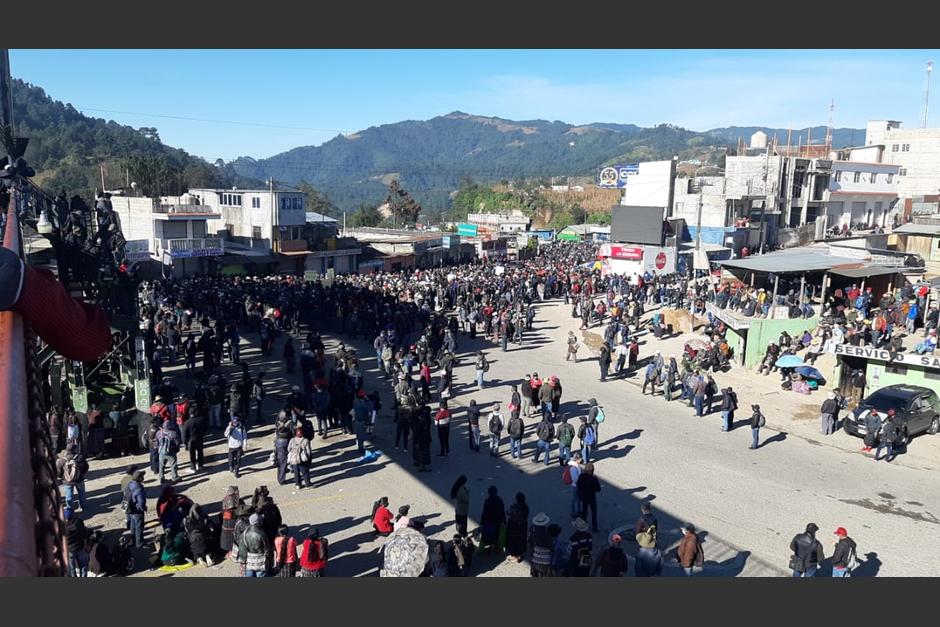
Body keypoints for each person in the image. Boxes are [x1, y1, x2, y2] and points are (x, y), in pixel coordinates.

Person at [56, 442, 89, 512]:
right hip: (79, 479)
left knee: (69, 495)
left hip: (67, 481)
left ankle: (70, 509)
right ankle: (83, 506)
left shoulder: (62, 460)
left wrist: (61, 477)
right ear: (75, 449)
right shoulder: (80, 457)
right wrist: (82, 473)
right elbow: (86, 467)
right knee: (81, 493)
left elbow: (59, 472)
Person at [238, 513, 271, 577]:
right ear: (259, 522)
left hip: (249, 562)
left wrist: (243, 560)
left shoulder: (244, 534)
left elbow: (242, 550)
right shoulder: (262, 534)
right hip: (260, 562)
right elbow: (267, 550)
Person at [124, 469, 147, 548]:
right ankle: (139, 543)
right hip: (137, 510)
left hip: (130, 508)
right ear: (139, 478)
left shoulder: (130, 484)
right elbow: (141, 501)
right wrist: (143, 508)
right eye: (142, 476)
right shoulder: (139, 488)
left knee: (133, 525)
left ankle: (133, 540)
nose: (143, 478)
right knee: (139, 526)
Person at [479, 486, 506, 552]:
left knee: (488, 534)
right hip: (497, 521)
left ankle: (489, 545)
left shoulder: (487, 501)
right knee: (496, 534)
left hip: (488, 521)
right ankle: (495, 546)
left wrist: (482, 522)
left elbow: (484, 512)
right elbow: (502, 511)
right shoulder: (499, 500)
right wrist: (504, 521)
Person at [505, 492, 530, 563]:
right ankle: (519, 554)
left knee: (513, 540)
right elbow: (526, 516)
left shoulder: (514, 506)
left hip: (513, 525)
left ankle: (514, 554)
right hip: (522, 526)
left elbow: (508, 513)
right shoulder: (525, 507)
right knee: (521, 540)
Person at [576, 462, 601, 532]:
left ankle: (583, 525)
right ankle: (594, 527)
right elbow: (598, 489)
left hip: (583, 496)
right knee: (594, 512)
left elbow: (578, 485)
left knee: (584, 511)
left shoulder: (581, 476)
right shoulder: (594, 478)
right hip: (592, 497)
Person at [64, 507, 89, 577]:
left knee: (72, 568)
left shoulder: (63, 527)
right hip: (80, 547)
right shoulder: (79, 522)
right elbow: (85, 534)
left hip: (70, 550)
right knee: (83, 565)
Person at [155, 419, 181, 483]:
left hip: (161, 452)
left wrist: (159, 449)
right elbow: (177, 443)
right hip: (171, 452)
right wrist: (177, 450)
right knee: (173, 464)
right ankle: (174, 477)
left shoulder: (158, 433)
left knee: (161, 465)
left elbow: (156, 443)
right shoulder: (173, 433)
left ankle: (161, 478)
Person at [180, 409, 207, 473]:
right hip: (199, 438)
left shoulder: (187, 422)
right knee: (200, 452)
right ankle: (200, 466)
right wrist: (202, 434)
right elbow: (205, 428)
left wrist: (185, 442)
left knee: (192, 454)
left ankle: (193, 467)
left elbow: (184, 434)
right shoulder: (201, 419)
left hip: (191, 440)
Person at [529, 512, 554, 577]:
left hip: (535, 558)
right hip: (545, 560)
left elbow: (530, 543)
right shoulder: (547, 533)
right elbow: (551, 547)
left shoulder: (533, 531)